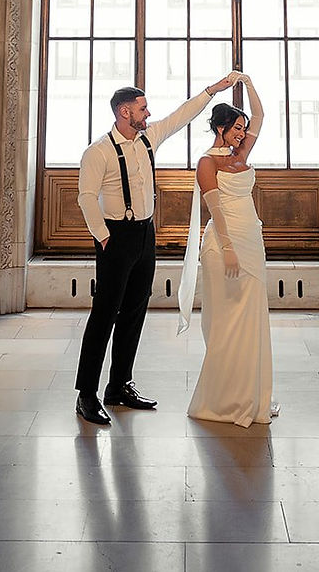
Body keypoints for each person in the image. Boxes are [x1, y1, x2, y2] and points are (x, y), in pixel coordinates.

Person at [74, 72, 240, 426]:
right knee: (104, 315)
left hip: (144, 236)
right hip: (114, 237)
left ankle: (118, 386)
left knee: (135, 311)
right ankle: (86, 395)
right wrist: (103, 237)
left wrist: (212, 90)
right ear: (123, 112)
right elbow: (86, 198)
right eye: (142, 109)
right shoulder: (98, 152)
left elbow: (182, 115)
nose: (148, 114)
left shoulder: (148, 138)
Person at [177, 73, 276, 427]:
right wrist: (229, 248)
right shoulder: (208, 163)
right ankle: (221, 400)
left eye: (242, 128)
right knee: (226, 320)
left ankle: (250, 393)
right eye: (236, 128)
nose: (242, 134)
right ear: (220, 128)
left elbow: (261, 117)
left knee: (252, 316)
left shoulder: (242, 154)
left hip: (252, 240)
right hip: (224, 246)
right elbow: (215, 210)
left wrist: (248, 84)